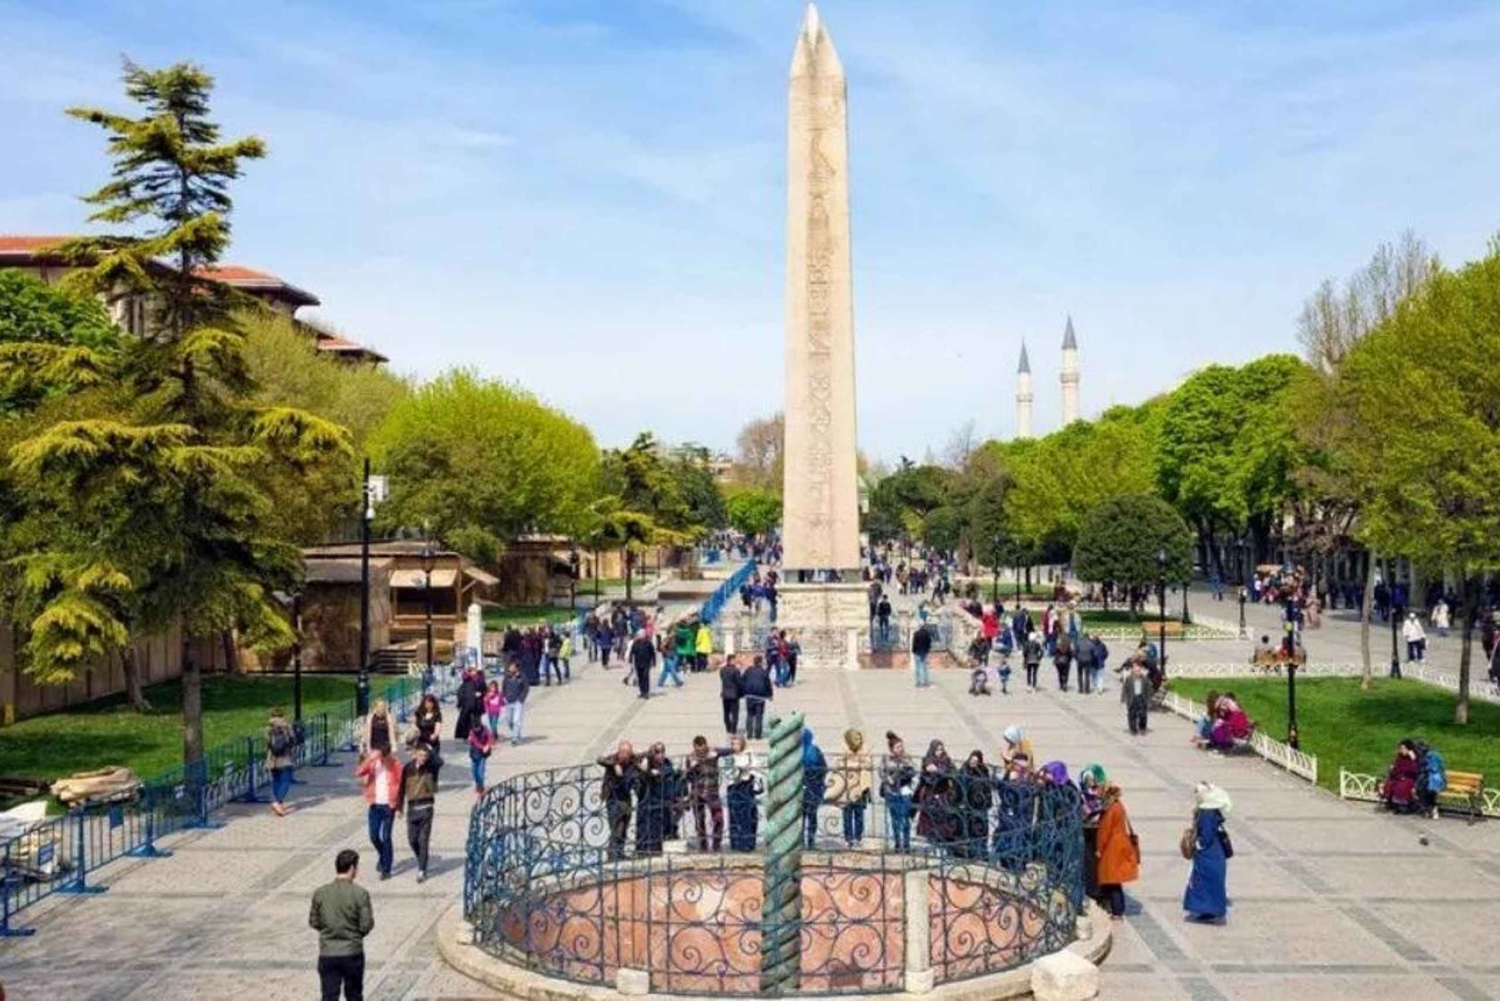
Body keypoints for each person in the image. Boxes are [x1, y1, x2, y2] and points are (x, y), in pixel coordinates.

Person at [309, 849, 374, 1001]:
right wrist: (355, 935)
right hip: (352, 952)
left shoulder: (320, 893)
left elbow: (314, 921)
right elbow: (366, 925)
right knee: (354, 996)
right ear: (352, 868)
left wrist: (328, 931)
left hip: (328, 953)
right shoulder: (360, 893)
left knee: (329, 996)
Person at [1183, 782, 1231, 923]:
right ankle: (1209, 910)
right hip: (1214, 853)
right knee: (1210, 883)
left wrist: (1196, 845)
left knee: (1205, 883)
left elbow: (1206, 836)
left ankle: (1209, 910)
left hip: (1209, 855)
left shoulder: (1207, 814)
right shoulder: (1211, 810)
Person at [396, 739, 442, 881]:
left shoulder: (431, 767)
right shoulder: (408, 768)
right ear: (415, 754)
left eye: (425, 756)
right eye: (421, 755)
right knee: (412, 840)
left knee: (423, 840)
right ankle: (422, 858)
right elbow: (401, 788)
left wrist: (430, 748)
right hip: (412, 809)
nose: (423, 758)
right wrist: (399, 808)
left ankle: (422, 869)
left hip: (427, 808)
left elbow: (440, 762)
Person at [1094, 781, 1139, 921]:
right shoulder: (1118, 805)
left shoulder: (1111, 808)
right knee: (1115, 881)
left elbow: (1104, 831)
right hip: (1120, 845)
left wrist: (1099, 848)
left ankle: (1117, 911)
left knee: (1113, 881)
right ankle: (1117, 908)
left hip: (1113, 848)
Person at [354, 747, 400, 880]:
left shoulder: (395, 764)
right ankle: (383, 855)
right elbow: (359, 772)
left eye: (386, 757)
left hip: (389, 806)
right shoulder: (373, 764)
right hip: (374, 805)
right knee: (373, 836)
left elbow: (401, 783)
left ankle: (386, 869)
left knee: (386, 837)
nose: (384, 760)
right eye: (382, 757)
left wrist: (399, 804)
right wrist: (369, 759)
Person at [597, 742, 640, 859]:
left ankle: (620, 852)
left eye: (627, 753)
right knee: (616, 827)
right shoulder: (613, 759)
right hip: (613, 798)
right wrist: (615, 764)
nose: (624, 756)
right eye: (622, 752)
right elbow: (599, 759)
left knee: (625, 825)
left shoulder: (632, 760)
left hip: (626, 797)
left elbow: (647, 754)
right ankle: (613, 854)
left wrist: (643, 762)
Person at [685, 736, 727, 851]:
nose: (701, 752)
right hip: (697, 792)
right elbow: (688, 778)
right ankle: (703, 845)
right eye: (698, 750)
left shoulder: (712, 753)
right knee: (699, 820)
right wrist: (692, 768)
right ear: (694, 747)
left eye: (703, 749)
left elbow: (728, 751)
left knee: (718, 818)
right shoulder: (691, 758)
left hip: (712, 792)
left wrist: (716, 752)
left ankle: (716, 844)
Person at [916, 740, 959, 851]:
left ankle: (942, 845)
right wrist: (931, 771)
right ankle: (932, 844)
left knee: (944, 822)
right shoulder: (927, 760)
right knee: (930, 822)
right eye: (937, 750)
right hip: (930, 796)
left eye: (941, 749)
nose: (940, 752)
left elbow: (953, 773)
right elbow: (927, 779)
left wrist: (938, 771)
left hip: (943, 795)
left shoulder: (946, 760)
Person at [835, 729, 873, 847]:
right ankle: (848, 838)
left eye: (860, 738)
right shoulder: (843, 748)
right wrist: (856, 764)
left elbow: (868, 764)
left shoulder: (865, 748)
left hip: (860, 786)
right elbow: (839, 764)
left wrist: (852, 764)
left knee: (859, 813)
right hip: (846, 787)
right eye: (856, 739)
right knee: (847, 813)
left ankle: (858, 837)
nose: (859, 741)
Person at [880, 731, 917, 851]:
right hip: (891, 792)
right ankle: (897, 843)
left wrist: (904, 769)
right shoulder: (886, 759)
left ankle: (906, 844)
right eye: (898, 747)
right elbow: (881, 772)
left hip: (905, 792)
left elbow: (914, 770)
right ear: (892, 749)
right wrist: (888, 778)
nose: (901, 749)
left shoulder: (907, 758)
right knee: (895, 819)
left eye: (901, 746)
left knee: (905, 819)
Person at [724, 734, 761, 851]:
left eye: (737, 744)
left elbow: (756, 769)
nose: (734, 746)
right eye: (733, 744)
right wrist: (737, 771)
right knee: (734, 815)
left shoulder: (749, 755)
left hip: (746, 787)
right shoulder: (729, 757)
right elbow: (727, 772)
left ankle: (748, 843)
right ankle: (736, 842)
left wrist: (747, 771)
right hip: (734, 787)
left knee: (748, 816)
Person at [956, 750, 992, 859]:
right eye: (972, 760)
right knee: (968, 828)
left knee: (981, 829)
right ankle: (968, 853)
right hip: (968, 804)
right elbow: (959, 786)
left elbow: (987, 787)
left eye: (976, 761)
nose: (973, 763)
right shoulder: (964, 770)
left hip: (981, 805)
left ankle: (981, 853)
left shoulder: (983, 771)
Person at [266, 707, 298, 818]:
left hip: (272, 758)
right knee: (286, 780)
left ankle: (278, 803)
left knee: (276, 780)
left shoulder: (268, 728)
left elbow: (267, 743)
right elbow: (293, 740)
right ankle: (278, 802)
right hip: (285, 758)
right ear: (282, 716)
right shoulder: (287, 726)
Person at [800, 728, 829, 848]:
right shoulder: (815, 751)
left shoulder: (795, 752)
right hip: (814, 787)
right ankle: (811, 842)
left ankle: (800, 842)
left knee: (800, 817)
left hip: (800, 788)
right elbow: (824, 768)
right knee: (812, 815)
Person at [1381, 739, 1422, 813]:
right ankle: (1393, 803)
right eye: (1401, 748)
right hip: (1399, 777)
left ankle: (1403, 805)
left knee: (1403, 786)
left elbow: (1415, 770)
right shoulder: (1400, 758)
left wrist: (1413, 759)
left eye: (1403, 748)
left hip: (1409, 778)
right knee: (1390, 784)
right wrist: (1393, 769)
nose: (1401, 750)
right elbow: (1396, 768)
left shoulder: (1414, 758)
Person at [741, 655, 773, 739]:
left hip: (749, 696)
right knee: (759, 716)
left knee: (750, 715)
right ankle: (758, 735)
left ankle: (749, 734)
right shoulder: (763, 672)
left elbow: (742, 680)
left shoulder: (748, 670)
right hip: (760, 697)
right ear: (761, 662)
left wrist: (743, 692)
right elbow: (768, 684)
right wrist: (770, 695)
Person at [500, 662, 528, 746]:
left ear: (516, 668)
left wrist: (521, 699)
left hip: (517, 702)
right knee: (509, 720)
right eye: (510, 667)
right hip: (508, 701)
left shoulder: (522, 677)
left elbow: (526, 688)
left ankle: (514, 738)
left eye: (512, 667)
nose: (510, 668)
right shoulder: (507, 677)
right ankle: (517, 733)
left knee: (516, 720)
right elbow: (503, 688)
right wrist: (504, 697)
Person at [1121, 661, 1151, 736]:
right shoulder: (1129, 679)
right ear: (1133, 670)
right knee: (1132, 715)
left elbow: (1148, 690)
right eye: (1136, 670)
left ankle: (1142, 728)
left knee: (1143, 715)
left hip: (1142, 699)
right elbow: (1125, 688)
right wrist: (1123, 698)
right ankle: (1133, 729)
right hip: (1132, 699)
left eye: (1139, 670)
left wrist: (1148, 700)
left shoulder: (1145, 679)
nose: (1138, 672)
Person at [466, 718, 493, 798]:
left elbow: (490, 738)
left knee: (481, 771)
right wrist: (483, 747)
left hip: (482, 755)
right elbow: (475, 742)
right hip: (474, 753)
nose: (476, 730)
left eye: (477, 728)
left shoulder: (485, 729)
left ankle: (481, 789)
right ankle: (478, 784)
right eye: (474, 728)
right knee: (474, 771)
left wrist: (488, 745)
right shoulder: (472, 732)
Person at [629, 628, 656, 700]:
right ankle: (642, 692)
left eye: (639, 635)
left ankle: (646, 692)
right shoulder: (636, 643)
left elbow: (653, 653)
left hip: (646, 663)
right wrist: (630, 659)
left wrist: (654, 662)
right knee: (640, 677)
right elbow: (632, 652)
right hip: (638, 662)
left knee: (645, 677)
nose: (638, 636)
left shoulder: (648, 643)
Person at [719, 657, 743, 735]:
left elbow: (722, 678)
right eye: (735, 660)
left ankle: (728, 728)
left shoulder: (722, 670)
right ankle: (733, 729)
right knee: (735, 713)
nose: (736, 662)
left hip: (725, 694)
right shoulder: (736, 670)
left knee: (726, 712)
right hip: (734, 695)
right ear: (731, 661)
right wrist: (741, 693)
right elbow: (739, 682)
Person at [911, 622, 933, 688]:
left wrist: (913, 651)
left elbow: (914, 643)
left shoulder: (916, 633)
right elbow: (929, 643)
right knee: (925, 668)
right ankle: (925, 682)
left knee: (917, 668)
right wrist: (927, 650)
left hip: (917, 652)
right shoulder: (927, 634)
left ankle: (918, 682)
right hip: (924, 652)